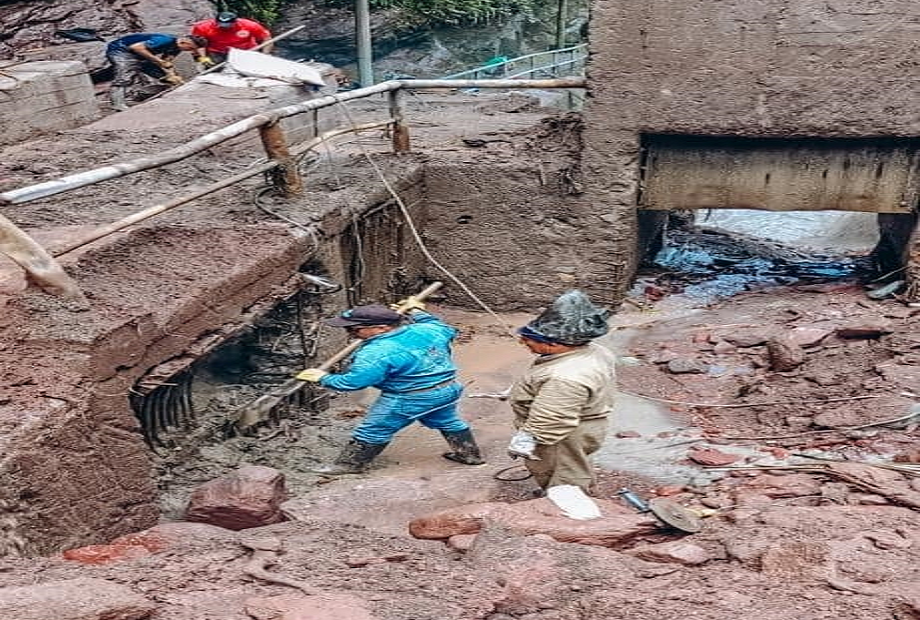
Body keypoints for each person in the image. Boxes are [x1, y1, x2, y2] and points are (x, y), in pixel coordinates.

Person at [296, 298, 485, 475]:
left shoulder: (376, 352)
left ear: (381, 328)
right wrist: (417, 311)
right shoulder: (427, 330)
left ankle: (350, 464)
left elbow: (352, 383)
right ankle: (469, 455)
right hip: (446, 388)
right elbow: (440, 326)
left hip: (408, 396)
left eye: (356, 329)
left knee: (374, 429)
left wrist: (323, 378)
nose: (351, 333)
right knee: (448, 420)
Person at [506, 290, 616, 494]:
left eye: (530, 339)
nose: (524, 342)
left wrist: (527, 439)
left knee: (563, 472)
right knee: (575, 464)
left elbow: (552, 419)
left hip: (563, 436)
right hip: (587, 422)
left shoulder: (564, 378)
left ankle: (567, 507)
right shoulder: (594, 351)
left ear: (553, 343)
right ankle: (567, 492)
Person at [105, 33, 205, 110]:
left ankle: (176, 94)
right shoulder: (165, 40)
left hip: (140, 55)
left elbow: (167, 62)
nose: (190, 51)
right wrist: (158, 61)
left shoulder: (177, 48)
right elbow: (136, 47)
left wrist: (172, 75)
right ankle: (117, 103)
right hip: (121, 50)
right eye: (190, 48)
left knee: (163, 76)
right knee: (126, 73)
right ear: (184, 42)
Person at [190, 11, 273, 68]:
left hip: (246, 51)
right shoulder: (202, 27)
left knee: (252, 68)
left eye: (227, 25)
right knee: (214, 68)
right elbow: (198, 44)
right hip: (217, 52)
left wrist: (264, 55)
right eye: (220, 24)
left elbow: (266, 39)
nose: (224, 27)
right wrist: (203, 57)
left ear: (235, 22)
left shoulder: (249, 25)